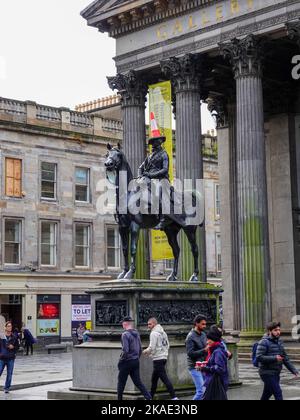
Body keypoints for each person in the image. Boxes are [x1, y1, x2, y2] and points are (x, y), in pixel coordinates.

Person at [256, 321, 299, 401]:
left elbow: (285, 358)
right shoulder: (264, 342)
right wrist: (274, 358)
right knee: (278, 393)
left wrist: (294, 371)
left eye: (279, 330)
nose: (278, 332)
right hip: (266, 372)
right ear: (269, 331)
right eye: (275, 330)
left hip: (276, 373)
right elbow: (259, 357)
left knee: (267, 393)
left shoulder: (279, 342)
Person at [143, 318, 178, 400]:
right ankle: (150, 397)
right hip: (163, 358)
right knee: (154, 379)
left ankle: (174, 397)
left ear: (154, 324)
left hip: (158, 359)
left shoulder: (153, 333)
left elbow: (152, 347)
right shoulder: (163, 333)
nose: (148, 326)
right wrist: (164, 353)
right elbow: (167, 345)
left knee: (165, 379)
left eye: (150, 324)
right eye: (148, 324)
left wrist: (145, 351)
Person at [118, 316, 151, 401]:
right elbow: (140, 348)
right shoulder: (136, 333)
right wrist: (136, 358)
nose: (122, 324)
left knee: (121, 382)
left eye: (122, 323)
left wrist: (121, 360)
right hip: (135, 361)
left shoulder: (125, 334)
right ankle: (148, 397)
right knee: (138, 382)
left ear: (125, 323)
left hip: (126, 362)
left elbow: (125, 350)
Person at [199, 329, 229, 400]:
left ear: (214, 339)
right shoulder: (215, 350)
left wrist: (205, 368)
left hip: (216, 383)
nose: (207, 342)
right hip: (214, 382)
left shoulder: (218, 351)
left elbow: (220, 368)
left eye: (209, 339)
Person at [186, 314, 208, 400]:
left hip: (203, 366)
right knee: (201, 391)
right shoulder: (190, 337)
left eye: (205, 324)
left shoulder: (203, 334)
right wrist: (204, 350)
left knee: (205, 390)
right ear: (196, 323)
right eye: (202, 324)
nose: (204, 326)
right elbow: (190, 353)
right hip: (194, 367)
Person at [0, 322, 19, 394]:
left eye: (10, 326)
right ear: (5, 327)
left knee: (9, 374)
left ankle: (7, 388)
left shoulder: (14, 337)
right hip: (2, 358)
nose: (10, 327)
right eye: (8, 326)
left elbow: (17, 347)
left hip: (10, 358)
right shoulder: (1, 336)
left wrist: (13, 347)